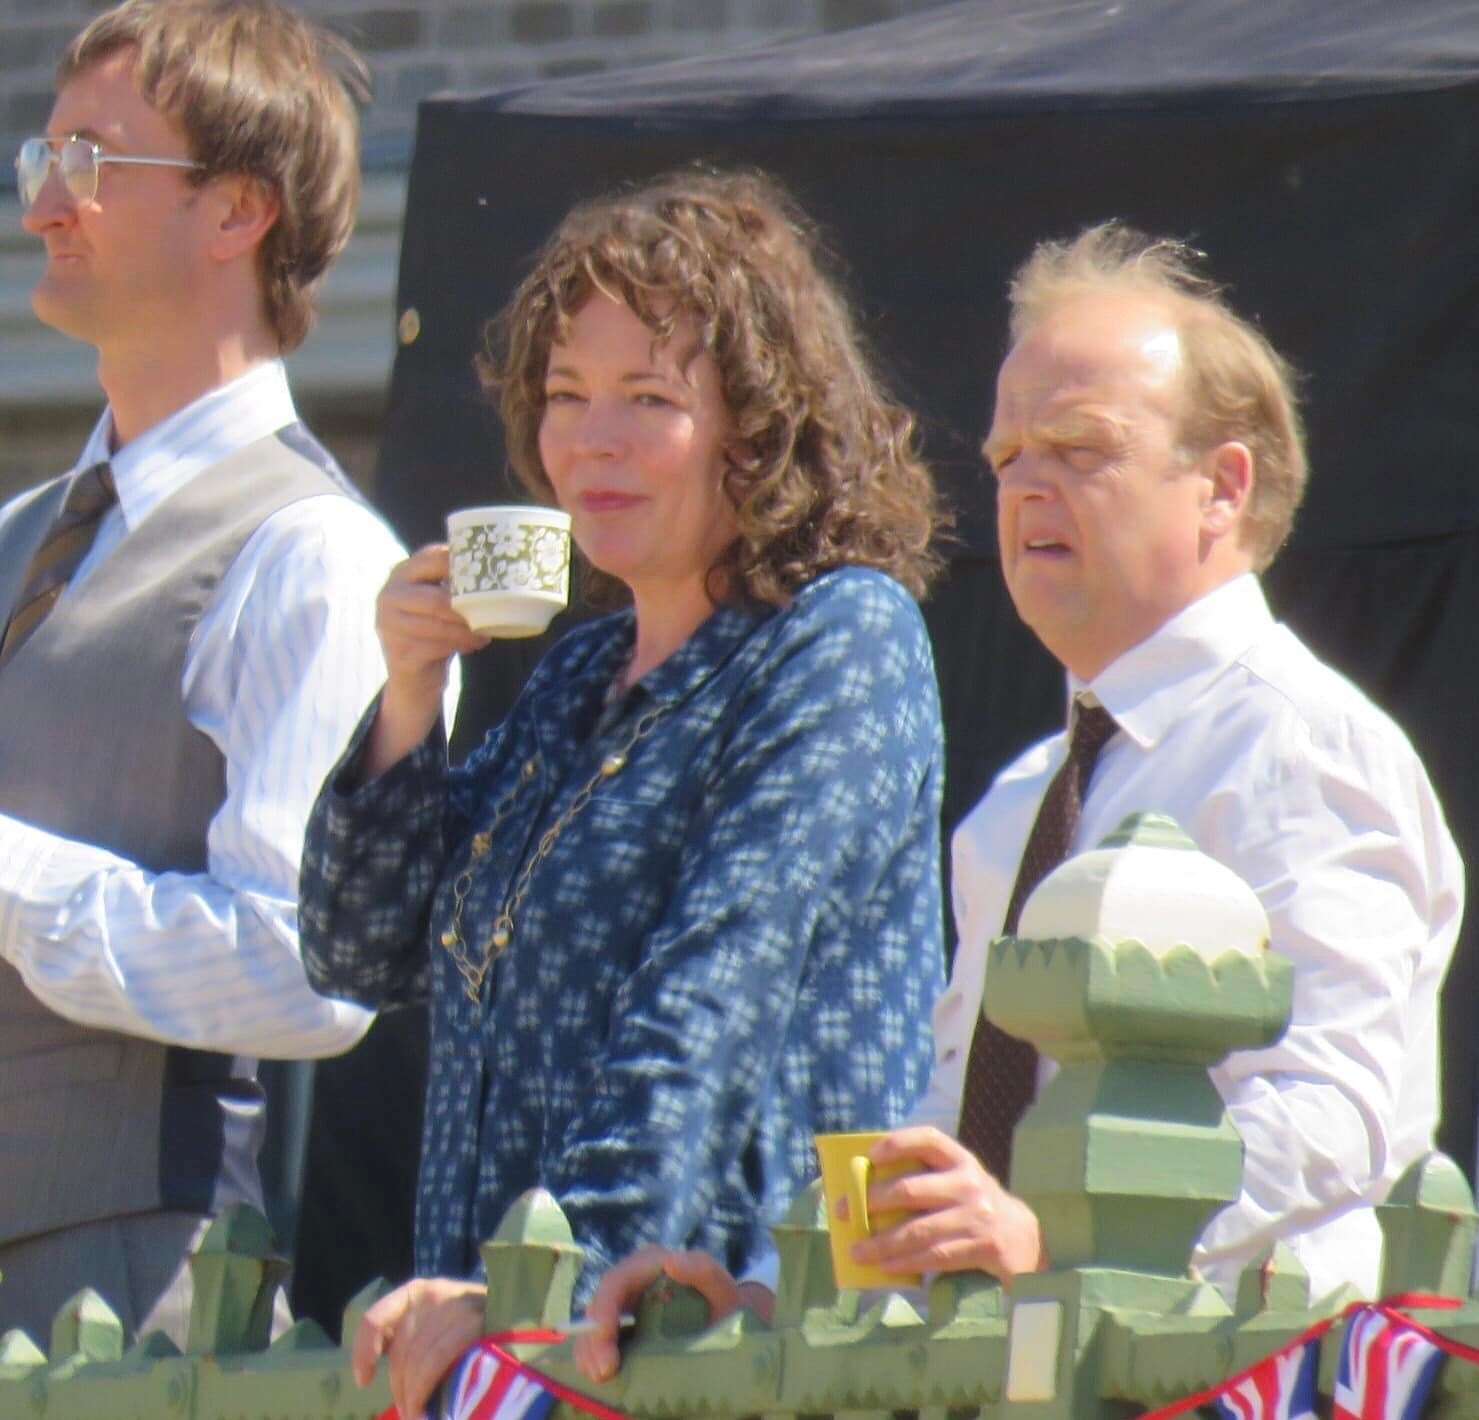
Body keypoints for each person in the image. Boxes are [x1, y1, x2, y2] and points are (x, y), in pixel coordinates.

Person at [572, 222, 1463, 1384]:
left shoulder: (1303, 745)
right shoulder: (1014, 807)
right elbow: (956, 1147)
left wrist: (1065, 1247)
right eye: (1005, 459)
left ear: (1223, 486)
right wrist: (769, 1296)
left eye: (1079, 447)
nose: (1027, 485)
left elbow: (1333, 1118)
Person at [296, 167, 948, 1420]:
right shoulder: (577, 670)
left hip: (723, 1344)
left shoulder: (838, 637)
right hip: (519, 1358)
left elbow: (717, 984)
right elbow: (358, 950)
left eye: (648, 398)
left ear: (758, 424)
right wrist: (407, 694)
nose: (590, 440)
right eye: (565, 395)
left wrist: (545, 1279)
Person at [0, 0, 415, 1346]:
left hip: (125, 1286)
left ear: (236, 212)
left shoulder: (312, 555)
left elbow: (310, 969)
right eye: (40, 160)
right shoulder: (14, 537)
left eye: (91, 163)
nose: (44, 208)